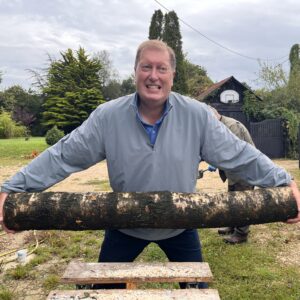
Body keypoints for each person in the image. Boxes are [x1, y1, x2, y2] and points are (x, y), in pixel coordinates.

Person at [1, 40, 300, 290]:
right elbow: (62, 155)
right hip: (124, 225)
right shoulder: (107, 117)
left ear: (172, 74)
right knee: (103, 292)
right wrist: (11, 190)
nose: (153, 75)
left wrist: (284, 182)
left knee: (198, 293)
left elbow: (240, 154)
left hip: (181, 225)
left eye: (161, 68)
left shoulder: (197, 116)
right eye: (146, 66)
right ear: (135, 72)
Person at [210, 107, 255, 244]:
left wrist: (217, 162)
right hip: (233, 171)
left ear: (215, 115)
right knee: (232, 199)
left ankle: (241, 234)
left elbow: (236, 151)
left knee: (243, 202)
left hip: (244, 168)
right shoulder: (217, 126)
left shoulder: (232, 126)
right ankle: (232, 226)